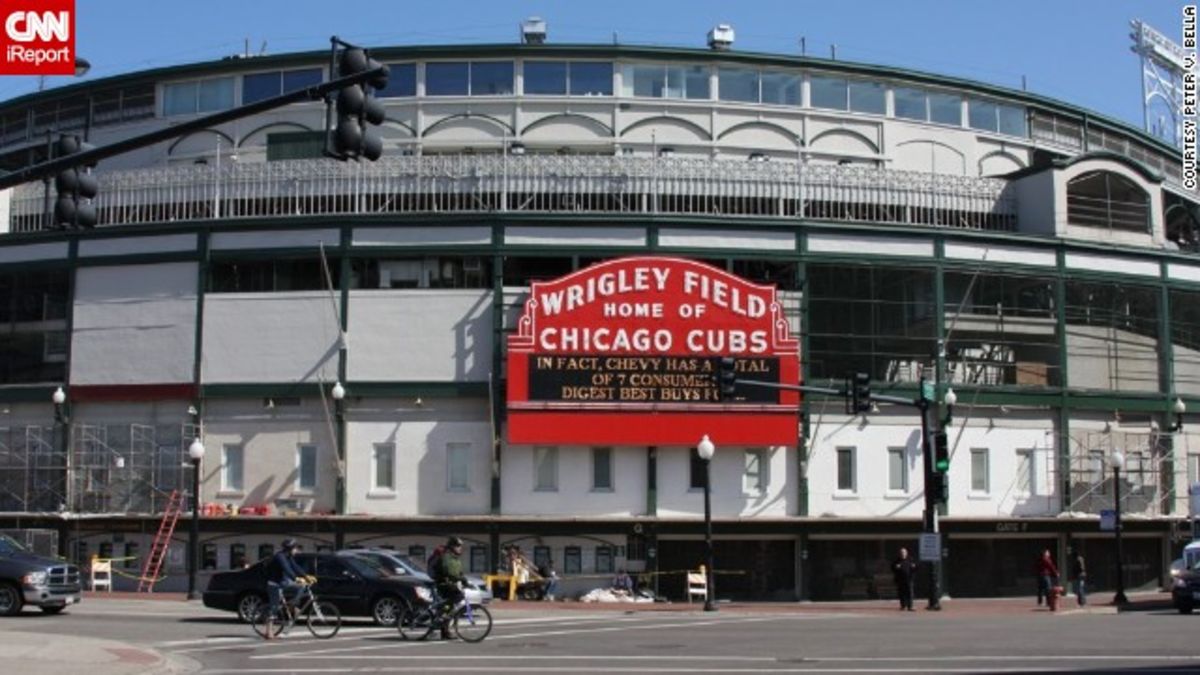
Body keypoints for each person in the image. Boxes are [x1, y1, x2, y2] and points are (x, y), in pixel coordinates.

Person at [265, 538, 309, 639]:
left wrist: (306, 576)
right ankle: (268, 631)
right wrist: (296, 578)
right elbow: (287, 569)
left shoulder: (288, 556)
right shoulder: (280, 556)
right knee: (274, 607)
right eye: (295, 548)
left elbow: (295, 567)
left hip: (283, 582)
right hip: (274, 584)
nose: (296, 550)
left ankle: (292, 605)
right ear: (290, 549)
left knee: (302, 586)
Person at [432, 536, 467, 639]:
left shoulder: (456, 559)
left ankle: (445, 631)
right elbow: (449, 572)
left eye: (461, 546)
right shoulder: (446, 557)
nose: (460, 548)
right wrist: (459, 578)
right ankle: (443, 620)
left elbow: (459, 572)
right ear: (452, 546)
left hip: (449, 584)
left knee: (449, 607)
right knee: (457, 597)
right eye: (458, 546)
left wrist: (464, 580)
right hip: (442, 584)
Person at [891, 547, 917, 611]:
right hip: (900, 580)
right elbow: (892, 568)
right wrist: (896, 567)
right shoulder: (897, 561)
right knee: (902, 593)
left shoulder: (910, 559)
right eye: (901, 552)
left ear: (906, 553)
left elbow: (916, 567)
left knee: (910, 593)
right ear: (899, 553)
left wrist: (914, 566)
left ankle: (910, 606)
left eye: (904, 552)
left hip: (909, 579)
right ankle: (903, 606)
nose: (903, 554)